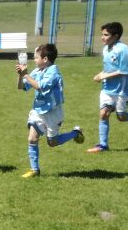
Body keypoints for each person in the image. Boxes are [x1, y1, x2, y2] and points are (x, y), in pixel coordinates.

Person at [15, 43, 85, 178]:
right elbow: (22, 87)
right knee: (32, 139)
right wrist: (21, 75)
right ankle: (34, 170)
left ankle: (75, 133)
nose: (34, 60)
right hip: (38, 110)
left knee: (52, 142)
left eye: (36, 57)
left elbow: (40, 87)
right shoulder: (37, 71)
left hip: (53, 113)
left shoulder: (53, 72)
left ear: (45, 59)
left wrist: (26, 74)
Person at [87, 21, 128, 153]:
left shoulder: (124, 50)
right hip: (107, 89)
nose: (102, 37)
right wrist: (100, 74)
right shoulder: (106, 49)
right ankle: (103, 145)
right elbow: (108, 68)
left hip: (122, 90)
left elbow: (123, 71)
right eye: (102, 34)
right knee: (103, 114)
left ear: (115, 36)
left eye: (106, 35)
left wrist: (104, 76)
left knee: (121, 117)